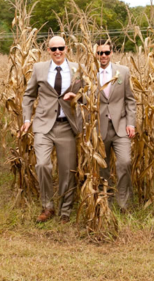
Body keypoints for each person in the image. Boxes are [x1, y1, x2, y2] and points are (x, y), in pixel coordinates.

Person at [21, 36, 83, 224]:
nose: (57, 51)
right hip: (43, 124)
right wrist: (26, 118)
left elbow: (88, 94)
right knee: (42, 164)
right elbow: (28, 95)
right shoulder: (39, 68)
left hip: (67, 125)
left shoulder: (77, 69)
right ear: (48, 50)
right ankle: (47, 206)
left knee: (67, 170)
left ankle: (65, 210)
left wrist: (77, 96)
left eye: (61, 48)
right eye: (53, 48)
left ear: (66, 48)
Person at [95, 40, 136, 211]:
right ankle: (106, 200)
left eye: (106, 52)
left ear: (111, 53)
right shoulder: (89, 73)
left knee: (124, 162)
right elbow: (83, 99)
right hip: (98, 128)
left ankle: (123, 202)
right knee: (102, 167)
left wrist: (131, 123)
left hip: (121, 126)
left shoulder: (123, 72)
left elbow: (130, 100)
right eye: (100, 53)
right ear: (95, 54)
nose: (103, 56)